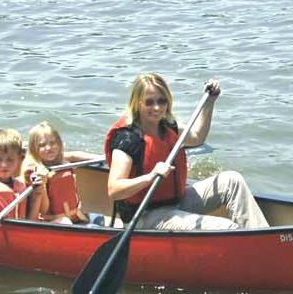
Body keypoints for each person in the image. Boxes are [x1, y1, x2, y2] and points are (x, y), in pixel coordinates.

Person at [103, 73, 267, 231]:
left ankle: (263, 240)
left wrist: (210, 101)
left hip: (176, 201)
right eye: (149, 102)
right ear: (137, 103)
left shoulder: (167, 126)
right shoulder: (127, 139)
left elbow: (197, 137)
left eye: (162, 101)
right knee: (226, 227)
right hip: (145, 215)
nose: (157, 107)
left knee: (232, 180)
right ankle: (248, 248)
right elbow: (114, 190)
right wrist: (151, 176)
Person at [23, 121, 108, 226]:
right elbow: (43, 210)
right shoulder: (35, 171)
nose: (49, 148)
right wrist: (40, 186)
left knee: (99, 218)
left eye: (52, 143)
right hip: (51, 220)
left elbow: (73, 155)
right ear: (34, 148)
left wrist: (103, 158)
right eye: (42, 145)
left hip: (74, 215)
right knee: (70, 223)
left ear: (59, 143)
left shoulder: (60, 160)